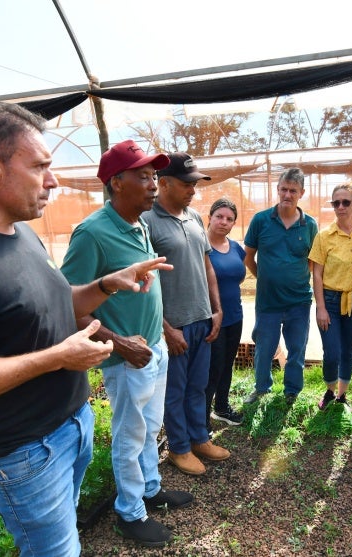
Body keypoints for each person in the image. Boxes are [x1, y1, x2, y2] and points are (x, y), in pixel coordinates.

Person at [0, 101, 172, 557]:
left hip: (70, 426)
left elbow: (55, 304)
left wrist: (105, 285)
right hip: (25, 453)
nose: (53, 180)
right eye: (40, 167)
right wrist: (57, 358)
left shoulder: (21, 235)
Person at [61, 140, 194, 548]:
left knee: (151, 426)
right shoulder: (93, 234)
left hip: (152, 349)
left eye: (155, 176)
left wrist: (162, 331)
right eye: (144, 176)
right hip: (127, 359)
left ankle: (149, 489)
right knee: (130, 433)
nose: (154, 184)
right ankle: (130, 513)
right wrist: (119, 344)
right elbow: (66, 305)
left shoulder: (139, 225)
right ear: (116, 183)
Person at [143, 152, 230, 477]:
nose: (193, 189)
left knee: (198, 386)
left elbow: (206, 265)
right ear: (163, 183)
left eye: (194, 183)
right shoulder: (147, 222)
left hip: (201, 320)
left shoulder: (194, 217)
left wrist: (216, 309)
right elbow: (145, 282)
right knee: (174, 391)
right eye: (186, 183)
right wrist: (165, 328)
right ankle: (179, 448)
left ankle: (198, 439)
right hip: (174, 326)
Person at [243, 167, 318, 405]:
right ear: (277, 190)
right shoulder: (261, 220)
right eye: (283, 189)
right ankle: (261, 388)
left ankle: (292, 391)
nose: (287, 194)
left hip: (299, 302)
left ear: (301, 193)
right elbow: (248, 257)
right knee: (264, 348)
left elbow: (310, 261)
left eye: (293, 190)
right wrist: (264, 278)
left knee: (297, 349)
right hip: (268, 302)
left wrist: (293, 279)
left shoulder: (310, 225)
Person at [308, 183, 352, 409]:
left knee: (348, 350)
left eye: (346, 202)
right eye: (336, 203)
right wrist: (320, 307)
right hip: (330, 302)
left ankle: (342, 395)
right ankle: (330, 390)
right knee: (331, 352)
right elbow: (317, 274)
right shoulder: (324, 237)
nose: (340, 207)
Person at [206, 198, 247, 427]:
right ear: (209, 218)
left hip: (235, 315)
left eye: (229, 219)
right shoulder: (201, 248)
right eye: (219, 216)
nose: (224, 222)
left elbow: (238, 276)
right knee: (213, 368)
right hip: (212, 318)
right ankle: (202, 421)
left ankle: (221, 407)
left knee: (228, 363)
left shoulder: (236, 248)